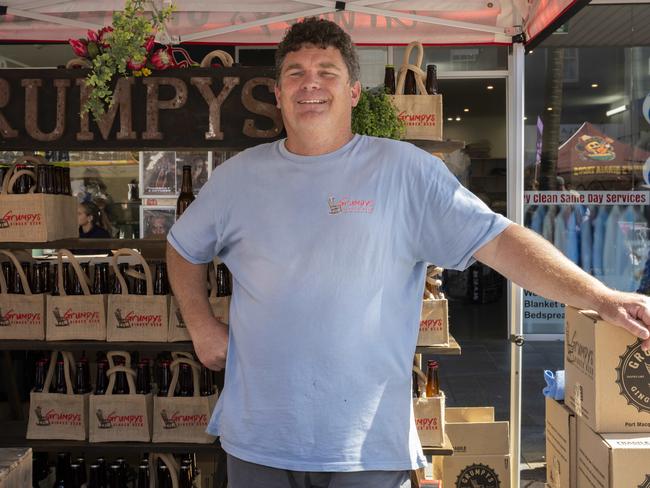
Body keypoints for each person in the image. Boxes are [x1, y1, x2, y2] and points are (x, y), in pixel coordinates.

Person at [166, 18, 650, 488]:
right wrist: (201, 325)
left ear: (354, 92)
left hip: (366, 447)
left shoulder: (403, 171)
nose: (309, 84)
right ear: (278, 93)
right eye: (295, 73)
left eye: (326, 72)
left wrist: (602, 297)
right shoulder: (239, 179)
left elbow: (500, 240)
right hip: (258, 440)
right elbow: (182, 247)